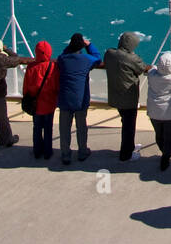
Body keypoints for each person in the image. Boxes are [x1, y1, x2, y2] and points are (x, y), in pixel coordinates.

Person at [103, 32, 150, 162]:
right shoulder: (131, 58)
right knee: (129, 125)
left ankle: (130, 145)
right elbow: (141, 68)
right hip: (128, 97)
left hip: (115, 96)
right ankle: (126, 154)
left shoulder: (109, 54)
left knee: (125, 121)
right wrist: (133, 55)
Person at [56, 33, 103, 164]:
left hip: (65, 98)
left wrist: (70, 48)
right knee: (81, 126)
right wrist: (89, 45)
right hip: (80, 99)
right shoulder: (86, 60)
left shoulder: (62, 59)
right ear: (81, 46)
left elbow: (63, 55)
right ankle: (82, 151)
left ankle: (65, 154)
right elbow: (97, 58)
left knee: (64, 127)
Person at [22, 40, 60, 160]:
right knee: (48, 128)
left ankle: (37, 151)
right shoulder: (53, 67)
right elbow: (56, 86)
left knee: (37, 128)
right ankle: (48, 152)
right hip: (49, 103)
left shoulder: (31, 67)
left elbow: (26, 87)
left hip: (35, 104)